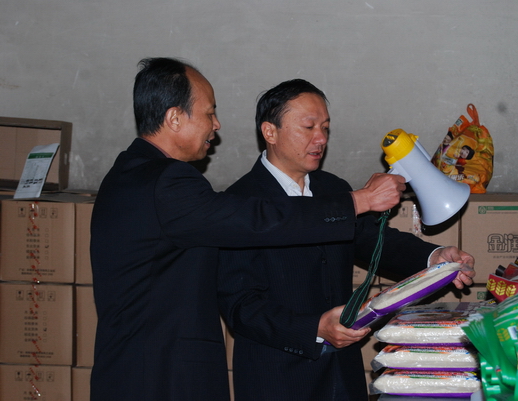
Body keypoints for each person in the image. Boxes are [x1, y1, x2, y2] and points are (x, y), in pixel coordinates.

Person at [90, 59, 407, 401]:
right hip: (161, 377)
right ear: (175, 118)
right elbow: (255, 219)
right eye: (209, 113)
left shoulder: (129, 173)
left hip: (136, 369)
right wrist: (358, 201)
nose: (216, 124)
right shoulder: (167, 181)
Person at [217, 79, 476, 401]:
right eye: (308, 127)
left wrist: (435, 257)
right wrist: (314, 327)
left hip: (343, 373)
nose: (321, 139)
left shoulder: (333, 189)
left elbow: (373, 239)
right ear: (270, 132)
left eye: (325, 127)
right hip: (279, 377)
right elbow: (241, 306)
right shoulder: (239, 203)